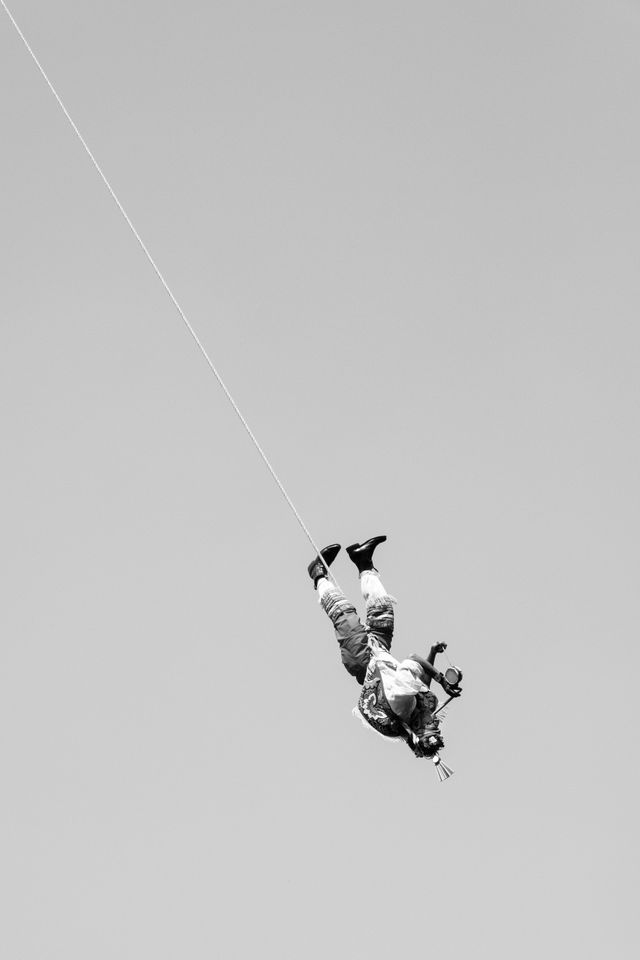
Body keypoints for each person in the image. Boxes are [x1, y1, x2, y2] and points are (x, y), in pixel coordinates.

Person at [308, 536, 462, 776]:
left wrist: (442, 679)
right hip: (379, 653)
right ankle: (363, 561)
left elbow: (413, 660)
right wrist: (433, 653)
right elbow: (421, 683)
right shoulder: (417, 710)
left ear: (419, 729)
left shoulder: (403, 702)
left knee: (343, 613)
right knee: (383, 610)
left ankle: (317, 573)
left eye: (432, 728)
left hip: (362, 659)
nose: (436, 724)